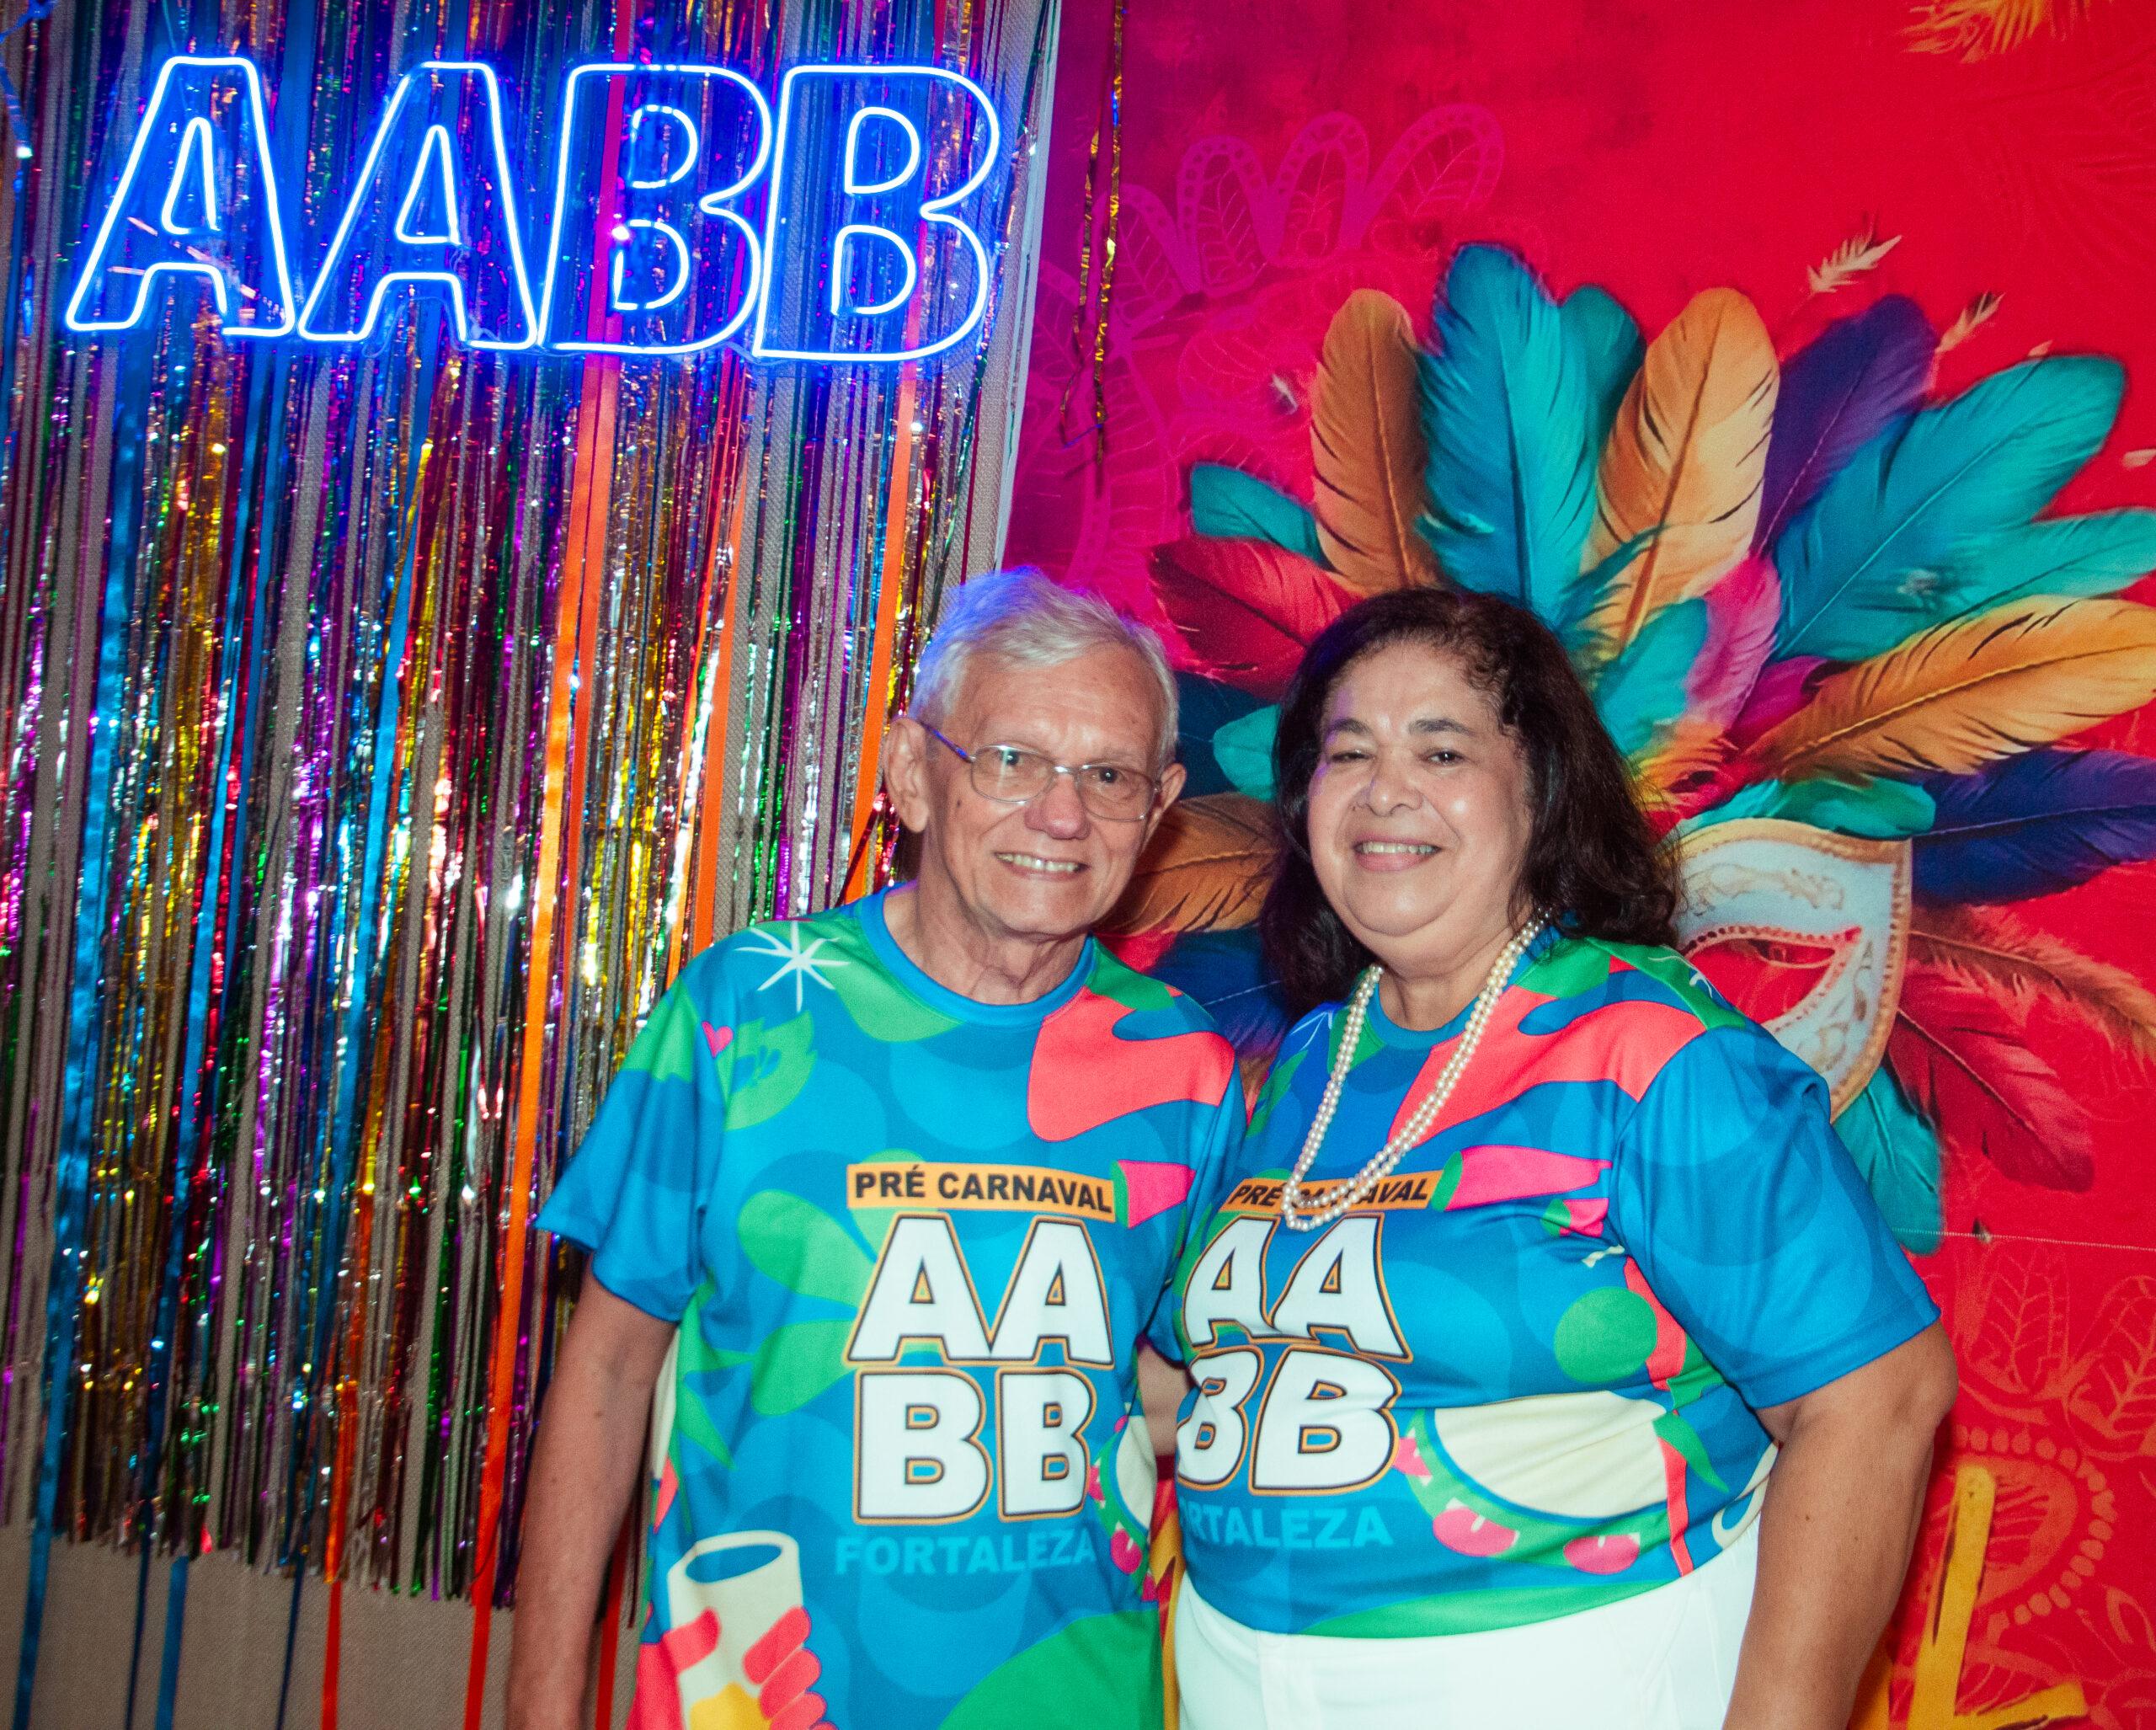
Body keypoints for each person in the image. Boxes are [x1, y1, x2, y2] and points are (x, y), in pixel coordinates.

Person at [1165, 587, 1956, 1730]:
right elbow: (1218, 1377)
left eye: (1442, 749)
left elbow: (1878, 1396)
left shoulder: (1650, 1052)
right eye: (1350, 752)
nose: (1386, 790)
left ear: (1538, 790)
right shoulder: (1303, 1066)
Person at [509, 570, 1243, 1730]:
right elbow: (605, 1373)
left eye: (1108, 776)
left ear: (1158, 810)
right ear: (910, 772)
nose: (1062, 814)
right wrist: (540, 1709)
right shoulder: (745, 1012)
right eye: (1011, 759)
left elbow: (1204, 1393)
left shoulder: (1187, 1070)